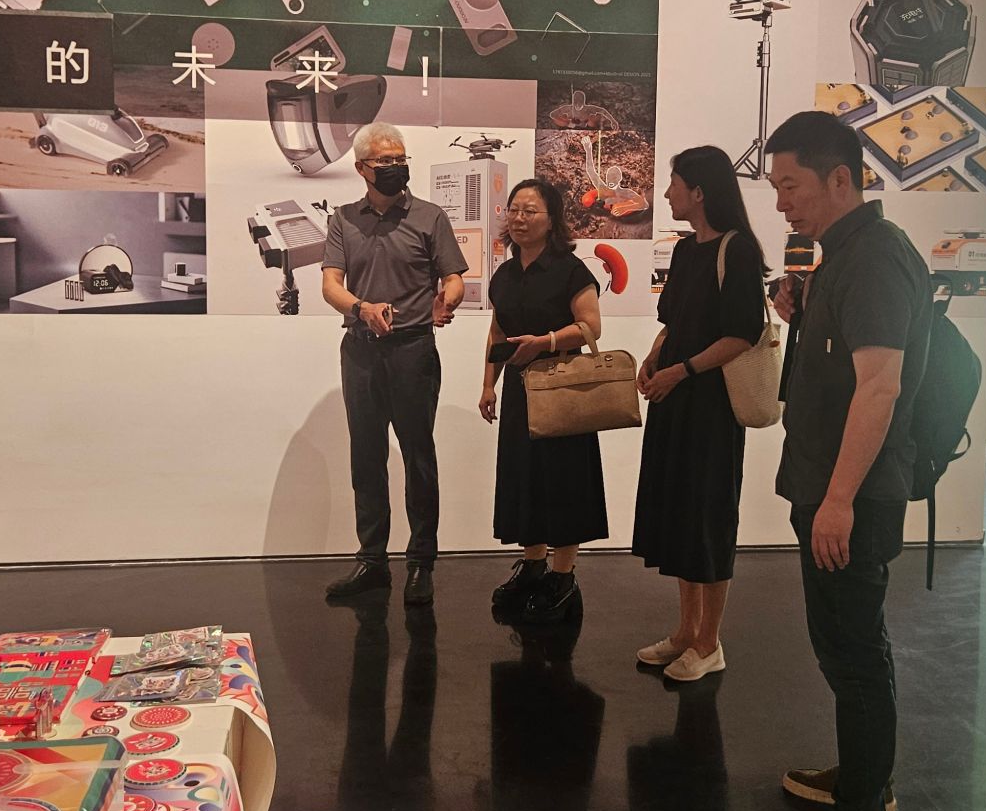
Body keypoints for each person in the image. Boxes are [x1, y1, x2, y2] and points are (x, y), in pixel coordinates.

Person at [765, 111, 930, 811]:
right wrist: (804, 310)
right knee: (842, 643)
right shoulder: (842, 254)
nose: (781, 203)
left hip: (851, 495)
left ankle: (864, 804)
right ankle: (863, 774)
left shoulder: (874, 258)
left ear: (840, 178)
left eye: (790, 185)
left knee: (854, 648)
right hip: (827, 484)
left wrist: (838, 500)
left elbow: (881, 387)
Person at [630, 145, 768, 682]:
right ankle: (686, 632)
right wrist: (654, 358)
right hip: (676, 399)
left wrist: (682, 371)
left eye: (674, 184)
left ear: (700, 191)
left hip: (711, 406)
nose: (667, 193)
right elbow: (673, 320)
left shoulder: (739, 250)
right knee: (681, 517)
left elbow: (742, 334)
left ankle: (710, 643)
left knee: (709, 518)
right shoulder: (687, 250)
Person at [320, 122, 468, 606]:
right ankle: (372, 561)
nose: (395, 167)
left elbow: (454, 278)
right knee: (366, 457)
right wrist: (361, 308)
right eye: (384, 161)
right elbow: (330, 285)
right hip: (360, 349)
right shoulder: (343, 220)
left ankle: (421, 562)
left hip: (413, 350)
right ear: (361, 168)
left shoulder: (430, 216)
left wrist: (447, 299)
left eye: (400, 159)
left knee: (418, 456)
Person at [481, 179, 609, 624]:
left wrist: (546, 342)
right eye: (514, 210)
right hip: (520, 392)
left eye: (530, 211)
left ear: (552, 219)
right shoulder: (505, 274)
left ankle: (563, 575)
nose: (519, 219)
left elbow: (591, 326)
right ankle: (533, 566)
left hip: (563, 389)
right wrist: (488, 385)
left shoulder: (571, 270)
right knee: (525, 479)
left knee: (564, 481)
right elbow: (498, 333)